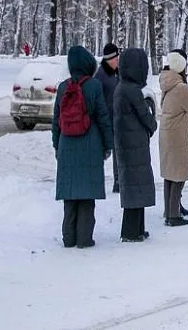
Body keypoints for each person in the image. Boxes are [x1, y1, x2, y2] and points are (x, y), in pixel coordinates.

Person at [52, 45, 113, 249]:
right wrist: (107, 144)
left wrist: (57, 146)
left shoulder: (62, 87)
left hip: (66, 144)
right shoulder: (94, 86)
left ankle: (68, 238)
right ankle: (85, 239)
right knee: (87, 195)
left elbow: (56, 121)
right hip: (90, 144)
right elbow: (103, 117)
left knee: (69, 196)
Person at [113, 47, 157, 242]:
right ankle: (131, 231)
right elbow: (148, 119)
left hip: (127, 144)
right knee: (136, 187)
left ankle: (137, 228)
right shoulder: (132, 91)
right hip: (135, 145)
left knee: (134, 186)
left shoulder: (121, 87)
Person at [159, 48, 188, 226]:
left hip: (168, 134)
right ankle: (173, 215)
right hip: (178, 136)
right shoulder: (181, 87)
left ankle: (170, 209)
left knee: (170, 174)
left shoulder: (168, 82)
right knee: (178, 175)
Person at [94, 43, 120, 193]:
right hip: (106, 119)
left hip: (116, 118)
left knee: (118, 151)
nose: (117, 60)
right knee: (104, 151)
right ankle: (97, 181)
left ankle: (118, 181)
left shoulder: (117, 71)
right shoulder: (101, 75)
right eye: (115, 57)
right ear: (109, 58)